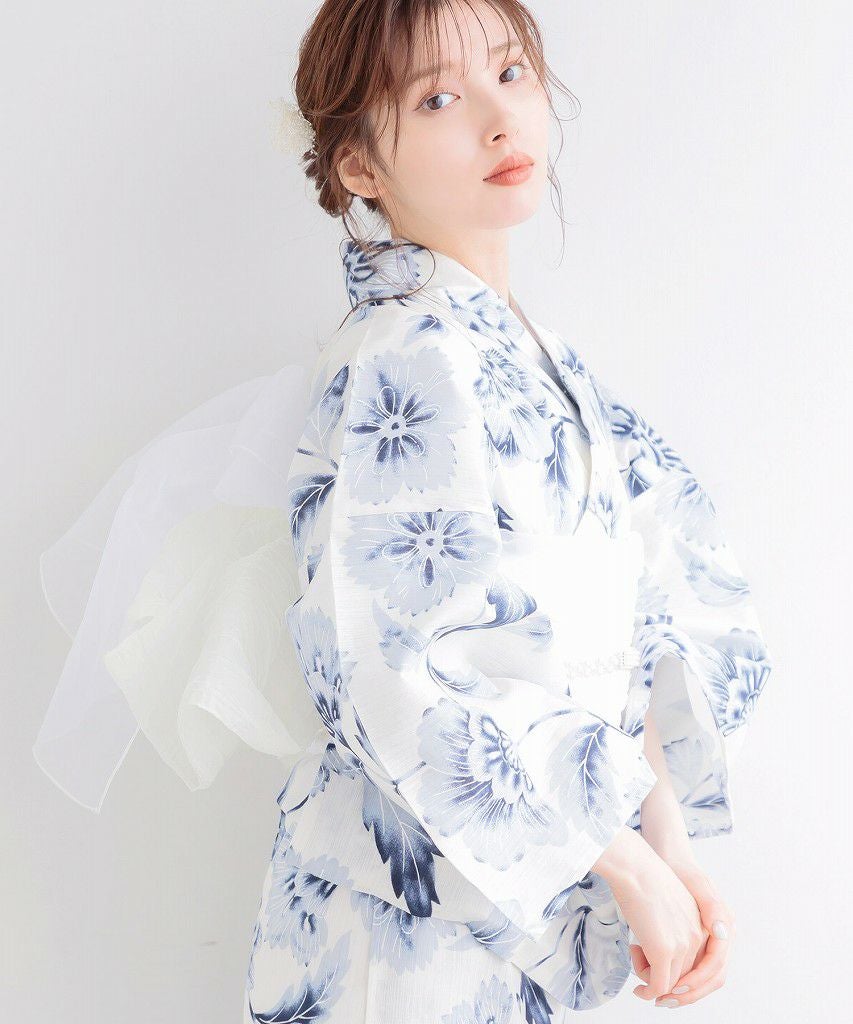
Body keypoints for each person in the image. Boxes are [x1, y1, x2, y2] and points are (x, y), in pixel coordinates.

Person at [32, 2, 773, 1020]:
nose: (499, 121)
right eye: (436, 100)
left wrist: (665, 846)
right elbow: (392, 668)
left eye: (510, 74)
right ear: (359, 167)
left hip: (510, 910)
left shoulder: (543, 361)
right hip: (402, 936)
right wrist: (628, 861)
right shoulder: (401, 357)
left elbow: (645, 611)